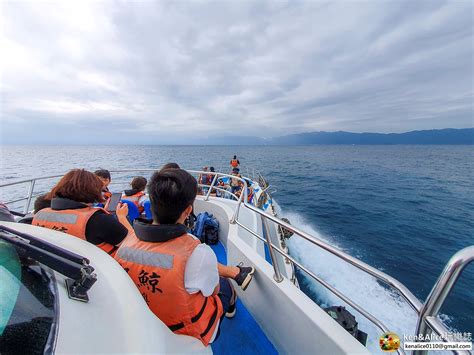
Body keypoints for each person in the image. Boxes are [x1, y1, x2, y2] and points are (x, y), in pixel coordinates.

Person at [115, 168, 254, 346]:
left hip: (146, 322)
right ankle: (231, 309)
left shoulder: (124, 246)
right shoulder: (197, 252)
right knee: (225, 285)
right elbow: (212, 291)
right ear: (188, 210)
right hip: (187, 331)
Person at [32, 169, 132, 256]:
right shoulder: (99, 220)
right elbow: (133, 245)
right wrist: (121, 217)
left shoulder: (40, 214)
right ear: (93, 191)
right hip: (103, 270)